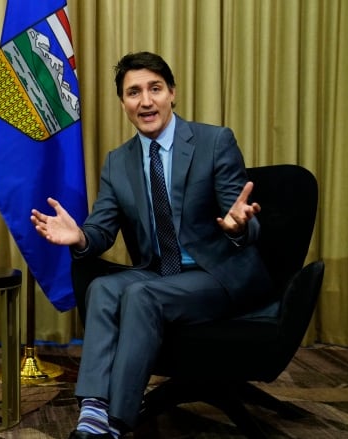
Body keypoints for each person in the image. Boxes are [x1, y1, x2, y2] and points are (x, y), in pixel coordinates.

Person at [30, 52, 272, 439]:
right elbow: (102, 229)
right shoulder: (117, 162)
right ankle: (92, 409)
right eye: (133, 92)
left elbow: (243, 216)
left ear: (172, 93)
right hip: (161, 274)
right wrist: (80, 237)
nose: (145, 101)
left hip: (217, 274)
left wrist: (238, 225)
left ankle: (116, 422)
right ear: (123, 103)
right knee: (103, 287)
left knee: (142, 294)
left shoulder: (214, 141)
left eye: (154, 88)